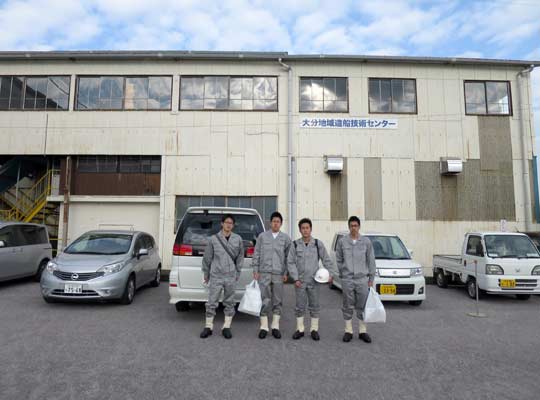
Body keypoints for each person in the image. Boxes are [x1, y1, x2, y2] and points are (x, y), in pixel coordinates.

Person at [287, 218, 337, 341]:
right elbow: (290, 262)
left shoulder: (317, 244)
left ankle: (314, 329)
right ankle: (300, 329)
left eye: (307, 228)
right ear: (300, 230)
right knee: (300, 306)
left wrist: (331, 274)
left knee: (315, 306)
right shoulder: (295, 245)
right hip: (300, 281)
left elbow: (326, 259)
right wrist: (295, 278)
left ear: (311, 229)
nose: (305, 230)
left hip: (314, 281)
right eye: (303, 228)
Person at [200, 214, 244, 339]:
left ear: (233, 225)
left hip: (231, 276)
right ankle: (208, 327)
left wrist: (238, 272)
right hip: (216, 275)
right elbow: (207, 258)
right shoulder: (213, 239)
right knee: (211, 302)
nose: (228, 225)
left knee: (229, 302)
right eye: (226, 222)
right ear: (222, 223)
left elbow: (240, 257)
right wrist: (206, 274)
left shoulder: (238, 239)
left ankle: (227, 327)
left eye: (231, 223)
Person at [335, 216, 376, 343]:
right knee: (347, 304)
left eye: (356, 225)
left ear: (359, 227)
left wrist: (371, 278)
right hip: (348, 279)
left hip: (362, 279)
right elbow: (339, 259)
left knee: (362, 305)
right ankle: (348, 331)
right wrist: (343, 273)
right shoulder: (342, 242)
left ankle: (363, 331)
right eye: (351, 225)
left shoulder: (366, 242)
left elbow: (371, 260)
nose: (354, 228)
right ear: (349, 227)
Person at [252, 211, 292, 339]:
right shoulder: (262, 237)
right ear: (270, 223)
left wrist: (286, 272)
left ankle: (275, 326)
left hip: (278, 274)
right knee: (264, 300)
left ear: (281, 223)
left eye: (278, 222)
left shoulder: (285, 238)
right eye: (273, 221)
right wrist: (255, 270)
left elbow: (288, 257)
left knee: (277, 301)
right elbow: (256, 254)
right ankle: (263, 327)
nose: (275, 223)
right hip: (264, 273)